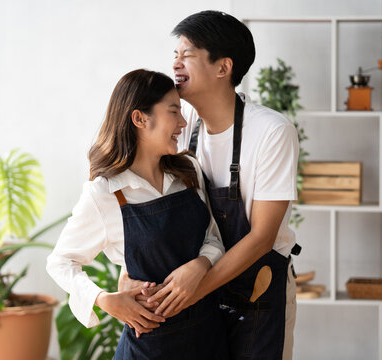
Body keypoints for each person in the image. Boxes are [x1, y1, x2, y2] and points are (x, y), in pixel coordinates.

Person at [121, 10, 300, 360]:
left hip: (257, 290)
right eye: (174, 55)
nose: (175, 64)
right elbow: (145, 201)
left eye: (187, 54)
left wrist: (195, 286)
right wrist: (128, 278)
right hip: (194, 296)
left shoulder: (272, 132)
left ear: (223, 67)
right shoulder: (179, 128)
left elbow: (262, 237)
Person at [46, 69, 228, 360]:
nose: (183, 123)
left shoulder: (188, 171)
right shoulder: (105, 194)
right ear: (140, 119)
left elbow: (214, 238)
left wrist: (201, 264)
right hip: (151, 347)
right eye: (174, 112)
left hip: (209, 337)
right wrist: (103, 300)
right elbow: (60, 262)